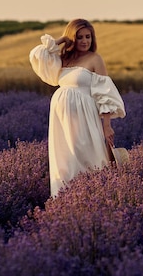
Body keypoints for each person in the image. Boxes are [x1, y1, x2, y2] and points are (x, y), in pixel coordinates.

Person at [30, 19, 126, 197]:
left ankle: (92, 197)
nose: (84, 41)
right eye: (79, 37)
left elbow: (104, 94)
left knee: (85, 154)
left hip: (85, 116)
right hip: (61, 118)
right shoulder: (64, 59)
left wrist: (107, 125)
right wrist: (61, 40)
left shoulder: (95, 59)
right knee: (64, 158)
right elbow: (38, 54)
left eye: (88, 37)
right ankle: (65, 201)